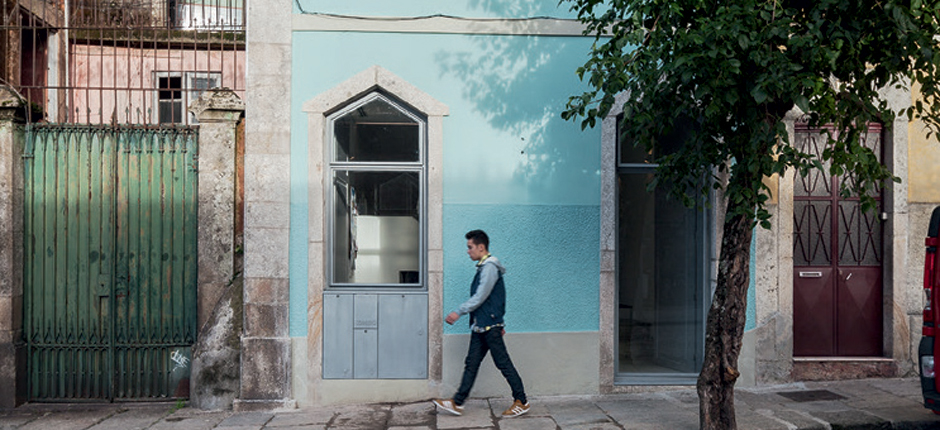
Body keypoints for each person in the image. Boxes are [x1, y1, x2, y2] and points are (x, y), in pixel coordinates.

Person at [432, 229, 530, 418]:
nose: (468, 251)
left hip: (490, 327)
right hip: (481, 327)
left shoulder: (490, 267)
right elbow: (493, 299)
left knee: (503, 364)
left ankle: (522, 401)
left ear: (481, 247)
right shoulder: (483, 267)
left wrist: (458, 311)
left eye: (470, 247)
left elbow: (481, 296)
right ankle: (457, 402)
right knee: (472, 364)